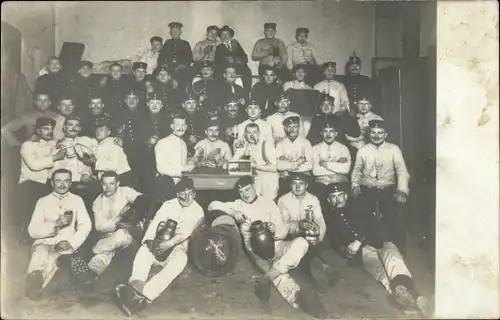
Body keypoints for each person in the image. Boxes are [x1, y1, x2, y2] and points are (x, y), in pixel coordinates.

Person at [208, 177, 320, 316]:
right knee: (281, 276)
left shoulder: (268, 203)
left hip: (276, 243)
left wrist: (274, 229)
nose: (245, 194)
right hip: (256, 251)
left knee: (302, 242)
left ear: (254, 187)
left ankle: (270, 276)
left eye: (247, 189)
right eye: (241, 191)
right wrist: (233, 212)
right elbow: (212, 205)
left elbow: (283, 231)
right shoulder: (238, 204)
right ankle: (296, 296)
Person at [324, 182, 429, 317]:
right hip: (364, 252)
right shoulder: (331, 219)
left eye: (340, 195)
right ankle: (409, 298)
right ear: (328, 200)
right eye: (333, 197)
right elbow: (336, 242)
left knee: (394, 261)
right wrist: (345, 251)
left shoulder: (358, 206)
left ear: (345, 195)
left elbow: (373, 224)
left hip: (381, 241)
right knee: (379, 272)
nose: (338, 199)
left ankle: (414, 296)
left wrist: (358, 241)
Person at [115, 178, 204, 316]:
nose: (186, 197)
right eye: (183, 193)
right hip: (158, 242)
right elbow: (155, 223)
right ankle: (135, 287)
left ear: (195, 194)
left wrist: (169, 243)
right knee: (144, 251)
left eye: (190, 193)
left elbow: (185, 232)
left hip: (177, 248)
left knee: (181, 260)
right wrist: (149, 242)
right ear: (177, 194)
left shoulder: (198, 211)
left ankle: (144, 296)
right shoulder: (168, 205)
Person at [25, 169, 92, 300]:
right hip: (44, 241)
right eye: (58, 181)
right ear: (52, 183)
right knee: (40, 254)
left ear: (70, 183)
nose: (62, 184)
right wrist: (55, 224)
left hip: (66, 243)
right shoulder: (42, 201)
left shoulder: (77, 200)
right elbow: (32, 230)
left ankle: (72, 269)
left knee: (52, 258)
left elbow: (86, 225)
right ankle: (35, 279)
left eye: (66, 181)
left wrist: (72, 243)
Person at [351, 120, 410, 253]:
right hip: (367, 188)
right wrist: (355, 185)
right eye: (373, 133)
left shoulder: (393, 149)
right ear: (369, 134)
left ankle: (398, 250)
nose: (376, 136)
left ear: (386, 134)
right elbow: (357, 171)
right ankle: (363, 249)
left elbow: (402, 171)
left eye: (380, 133)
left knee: (395, 214)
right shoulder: (362, 150)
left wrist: (402, 191)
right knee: (360, 212)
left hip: (387, 188)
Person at [277, 173, 338, 293]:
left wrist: (318, 237)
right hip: (293, 235)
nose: (298, 187)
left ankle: (320, 267)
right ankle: (319, 272)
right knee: (303, 254)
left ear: (306, 185)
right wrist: (298, 225)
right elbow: (282, 226)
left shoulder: (313, 199)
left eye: (301, 184)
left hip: (311, 234)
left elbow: (320, 221)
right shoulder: (283, 200)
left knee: (322, 244)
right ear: (290, 185)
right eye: (294, 184)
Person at [87, 171, 142, 278]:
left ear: (117, 184)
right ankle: (91, 275)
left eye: (111, 184)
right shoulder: (97, 201)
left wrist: (134, 213)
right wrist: (120, 218)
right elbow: (100, 227)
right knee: (102, 257)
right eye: (105, 184)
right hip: (110, 239)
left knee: (121, 234)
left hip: (129, 237)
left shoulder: (125, 191)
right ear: (101, 185)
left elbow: (143, 200)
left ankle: (93, 250)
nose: (108, 187)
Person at [17, 118, 65, 233]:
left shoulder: (53, 145)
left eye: (51, 129)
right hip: (29, 184)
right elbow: (34, 165)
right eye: (45, 129)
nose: (50, 131)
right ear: (38, 131)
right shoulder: (28, 145)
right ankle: (27, 234)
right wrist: (54, 157)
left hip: (45, 185)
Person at [310, 116, 351, 209]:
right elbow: (316, 171)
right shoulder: (315, 149)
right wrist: (336, 168)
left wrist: (326, 164)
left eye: (331, 131)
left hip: (341, 181)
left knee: (345, 197)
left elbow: (346, 169)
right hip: (322, 182)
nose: (328, 135)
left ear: (336, 133)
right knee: (321, 199)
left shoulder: (343, 148)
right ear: (321, 133)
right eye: (325, 131)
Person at [233, 123, 279, 200]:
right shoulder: (245, 146)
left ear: (259, 134)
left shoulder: (266, 146)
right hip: (254, 179)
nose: (252, 135)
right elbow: (233, 165)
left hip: (268, 180)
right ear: (245, 135)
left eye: (254, 132)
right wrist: (238, 152)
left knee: (267, 205)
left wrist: (255, 166)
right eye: (249, 133)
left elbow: (276, 167)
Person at [276, 116, 313, 196]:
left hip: (303, 175)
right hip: (287, 178)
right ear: (285, 128)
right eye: (289, 127)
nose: (292, 130)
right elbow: (279, 165)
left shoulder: (306, 143)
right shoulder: (280, 144)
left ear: (299, 127)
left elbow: (309, 165)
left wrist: (288, 165)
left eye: (295, 127)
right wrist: (297, 163)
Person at [155, 113, 195, 185]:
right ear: (172, 126)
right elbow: (161, 168)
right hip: (164, 184)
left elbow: (182, 164)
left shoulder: (183, 144)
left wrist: (190, 162)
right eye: (177, 125)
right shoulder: (162, 143)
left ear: (186, 127)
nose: (180, 128)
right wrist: (185, 169)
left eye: (182, 125)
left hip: (180, 184)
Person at [93, 120, 136, 188]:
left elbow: (113, 165)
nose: (98, 132)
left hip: (122, 179)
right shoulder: (98, 144)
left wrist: (95, 162)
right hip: (110, 180)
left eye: (101, 130)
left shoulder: (113, 143)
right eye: (96, 130)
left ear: (109, 132)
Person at [214, 25, 252, 95]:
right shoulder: (218, 46)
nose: (225, 36)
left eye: (227, 34)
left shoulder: (236, 44)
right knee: (218, 73)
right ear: (220, 37)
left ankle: (246, 94)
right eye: (223, 34)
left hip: (238, 66)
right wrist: (228, 61)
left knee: (247, 71)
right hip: (224, 67)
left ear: (231, 36)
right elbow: (217, 59)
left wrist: (238, 60)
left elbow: (244, 57)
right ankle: (221, 95)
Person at [157, 22, 194, 89]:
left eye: (177, 31)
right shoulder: (167, 43)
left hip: (182, 68)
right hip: (169, 68)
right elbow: (161, 58)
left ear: (180, 32)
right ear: (170, 33)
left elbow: (189, 58)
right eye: (173, 31)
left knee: (187, 74)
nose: (175, 33)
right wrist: (164, 64)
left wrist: (183, 65)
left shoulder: (185, 44)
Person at [179, 91, 205, 156]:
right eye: (188, 103)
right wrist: (187, 138)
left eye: (194, 102)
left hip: (202, 148)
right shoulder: (179, 118)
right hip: (184, 149)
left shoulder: (202, 116)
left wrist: (198, 139)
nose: (191, 105)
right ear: (183, 105)